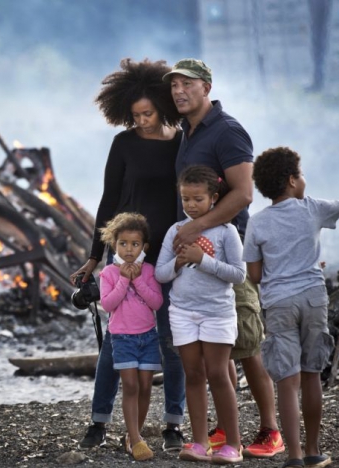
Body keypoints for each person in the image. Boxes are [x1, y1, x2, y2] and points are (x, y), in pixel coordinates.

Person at [163, 58, 284, 458]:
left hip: (234, 249)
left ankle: (270, 430)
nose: (179, 91)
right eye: (174, 85)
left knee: (247, 345)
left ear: (207, 87)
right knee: (219, 352)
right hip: (197, 258)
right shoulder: (189, 130)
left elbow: (243, 194)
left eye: (188, 84)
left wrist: (194, 228)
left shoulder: (228, 131)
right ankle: (223, 430)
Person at [70, 58, 186, 452]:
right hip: (124, 254)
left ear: (162, 105)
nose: (141, 121)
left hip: (168, 254)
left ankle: (173, 423)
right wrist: (94, 256)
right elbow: (109, 201)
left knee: (170, 340)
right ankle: (99, 422)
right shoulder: (124, 144)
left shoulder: (182, 141)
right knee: (114, 346)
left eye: (148, 113)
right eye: (135, 116)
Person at [243, 147, 335, 468]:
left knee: (287, 379)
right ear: (293, 180)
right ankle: (312, 451)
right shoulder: (312, 209)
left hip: (278, 304)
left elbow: (253, 275)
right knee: (311, 374)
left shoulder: (256, 223)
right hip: (313, 298)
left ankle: (293, 456)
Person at [155, 165, 246, 464]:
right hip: (182, 312)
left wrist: (202, 260)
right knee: (193, 374)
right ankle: (199, 443)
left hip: (217, 313)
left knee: (218, 374)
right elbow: (160, 273)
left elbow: (239, 275)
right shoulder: (175, 230)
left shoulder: (226, 231)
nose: (191, 205)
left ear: (214, 198)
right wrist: (179, 264)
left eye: (197, 199)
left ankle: (233, 444)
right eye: (185, 199)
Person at [98, 213, 163, 461]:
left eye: (135, 244)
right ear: (114, 245)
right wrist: (124, 280)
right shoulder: (109, 274)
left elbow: (156, 302)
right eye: (123, 243)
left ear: (144, 247)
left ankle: (132, 434)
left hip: (148, 337)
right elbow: (108, 304)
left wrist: (138, 282)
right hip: (122, 338)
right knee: (131, 386)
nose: (128, 249)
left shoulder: (148, 271)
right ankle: (136, 439)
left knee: (146, 386)